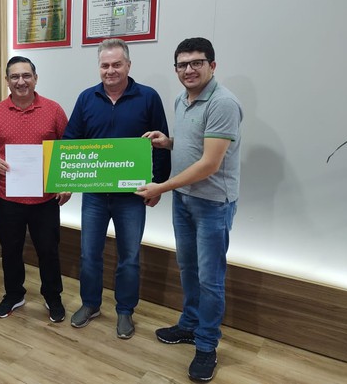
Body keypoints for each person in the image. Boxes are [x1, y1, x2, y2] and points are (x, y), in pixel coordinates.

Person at [135, 37, 243, 381]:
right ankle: (190, 324)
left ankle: (207, 345)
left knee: (210, 279)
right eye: (182, 64)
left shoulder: (223, 103)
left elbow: (210, 163)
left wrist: (162, 187)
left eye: (197, 63)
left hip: (213, 205)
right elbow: (196, 145)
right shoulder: (182, 100)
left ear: (212, 65)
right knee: (188, 269)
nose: (189, 70)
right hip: (184, 200)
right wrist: (168, 142)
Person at [63, 38, 171, 339]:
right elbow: (71, 141)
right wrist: (66, 181)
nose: (110, 70)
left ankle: (125, 311)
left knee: (129, 258)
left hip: (132, 196)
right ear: (99, 67)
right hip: (95, 195)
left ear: (128, 65)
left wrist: (159, 185)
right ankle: (91, 304)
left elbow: (161, 143)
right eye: (105, 65)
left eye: (116, 64)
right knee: (89, 255)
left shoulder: (148, 97)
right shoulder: (86, 98)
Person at [0, 56, 71, 322]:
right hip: (8, 198)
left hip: (45, 199)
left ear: (35, 78)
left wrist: (66, 184)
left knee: (49, 251)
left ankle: (53, 297)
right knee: (10, 250)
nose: (21, 81)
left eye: (26, 75)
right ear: (7, 81)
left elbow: (67, 148)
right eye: (15, 77)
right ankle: (13, 294)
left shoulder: (53, 110)